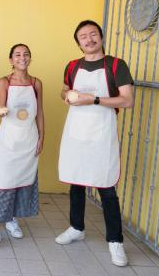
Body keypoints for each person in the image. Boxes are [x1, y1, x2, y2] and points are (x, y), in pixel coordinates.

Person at [55, 20, 134, 267]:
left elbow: (127, 100)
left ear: (100, 37)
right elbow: (64, 89)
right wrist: (66, 95)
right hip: (76, 132)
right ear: (78, 43)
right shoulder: (72, 66)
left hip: (101, 134)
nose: (88, 40)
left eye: (92, 35)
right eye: (82, 37)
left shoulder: (116, 65)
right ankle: (76, 227)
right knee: (76, 182)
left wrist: (93, 99)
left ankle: (115, 241)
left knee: (106, 186)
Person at [0, 44, 44, 251]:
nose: (22, 57)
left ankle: (11, 220)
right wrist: (1, 109)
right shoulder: (4, 82)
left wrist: (42, 137)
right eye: (17, 55)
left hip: (29, 139)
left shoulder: (36, 83)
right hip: (8, 142)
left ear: (30, 58)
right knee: (4, 182)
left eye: (26, 54)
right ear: (10, 60)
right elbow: (0, 104)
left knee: (22, 181)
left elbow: (40, 113)